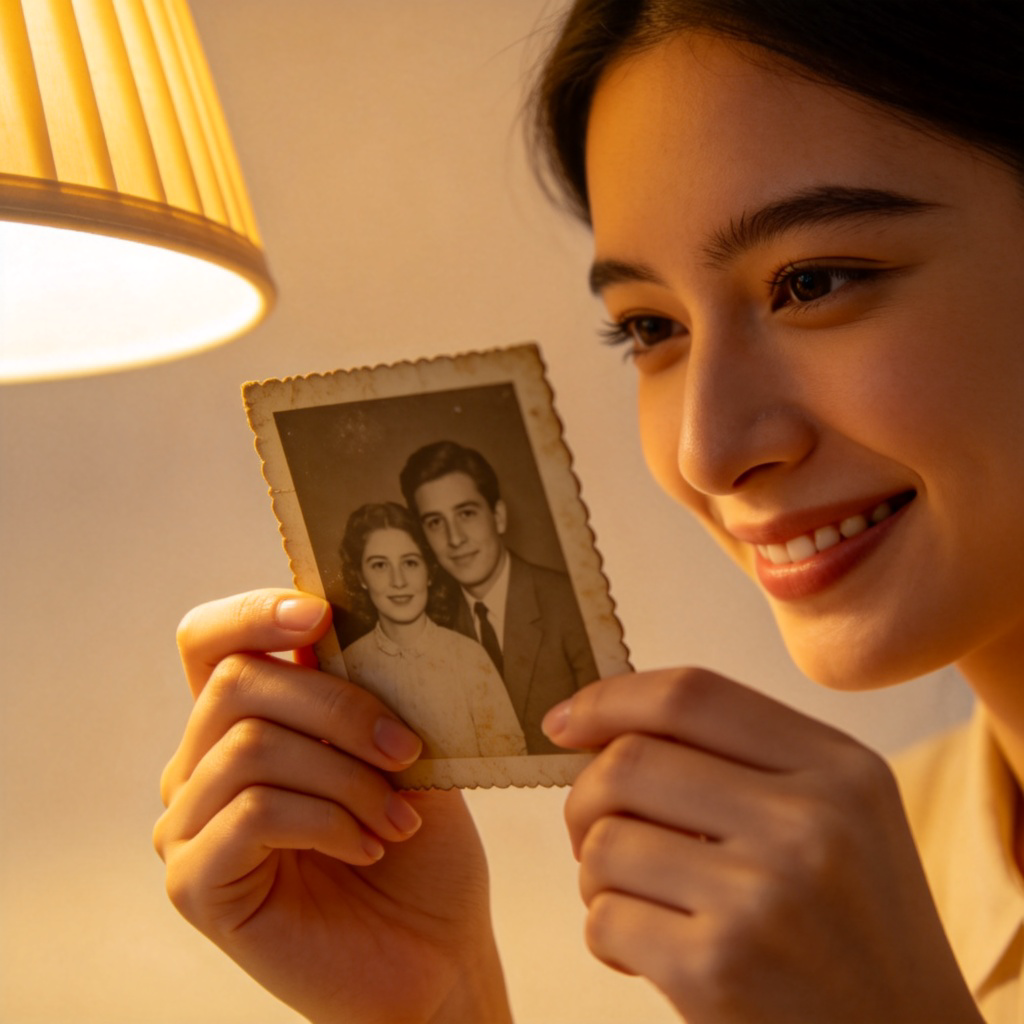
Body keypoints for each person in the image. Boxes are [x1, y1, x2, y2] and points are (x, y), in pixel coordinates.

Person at [153, 2, 1024, 1022]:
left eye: (813, 282)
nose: (707, 450)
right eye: (651, 328)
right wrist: (441, 1003)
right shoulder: (842, 883)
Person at [398, 439, 598, 753]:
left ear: (499, 516)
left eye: (466, 514)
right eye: (436, 522)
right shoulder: (432, 624)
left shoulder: (573, 603)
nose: (455, 539)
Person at [337, 501, 526, 760]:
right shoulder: (350, 664)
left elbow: (510, 762)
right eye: (380, 565)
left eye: (411, 563)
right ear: (360, 577)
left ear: (429, 571)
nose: (399, 581)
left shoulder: (470, 657)